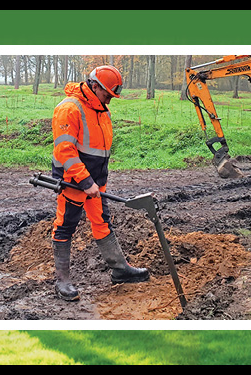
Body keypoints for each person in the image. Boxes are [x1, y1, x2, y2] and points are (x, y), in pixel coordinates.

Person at [50, 65, 149, 301]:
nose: (110, 101)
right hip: (72, 181)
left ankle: (120, 269)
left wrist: (96, 182)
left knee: (103, 222)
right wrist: (85, 181)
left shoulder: (101, 109)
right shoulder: (69, 109)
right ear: (95, 86)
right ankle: (62, 281)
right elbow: (65, 151)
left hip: (97, 181)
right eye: (107, 95)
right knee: (65, 225)